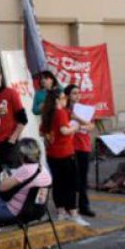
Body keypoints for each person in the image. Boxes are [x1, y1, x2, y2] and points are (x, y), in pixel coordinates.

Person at [41, 87, 85, 226]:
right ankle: (73, 212)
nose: (66, 100)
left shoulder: (48, 113)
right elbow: (64, 130)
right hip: (65, 153)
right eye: (64, 98)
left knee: (58, 183)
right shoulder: (60, 112)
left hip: (52, 153)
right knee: (70, 183)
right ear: (57, 100)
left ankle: (61, 212)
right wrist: (75, 127)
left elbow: (42, 132)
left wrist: (50, 139)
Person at [63, 85, 96, 219]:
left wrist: (77, 120)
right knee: (69, 178)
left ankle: (84, 206)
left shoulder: (84, 109)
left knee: (82, 178)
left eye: (78, 93)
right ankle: (69, 205)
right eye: (74, 93)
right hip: (68, 147)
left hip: (83, 146)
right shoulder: (63, 110)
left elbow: (91, 126)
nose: (77, 96)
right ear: (68, 96)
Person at [0, 65, 27, 146]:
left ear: (0, 76)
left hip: (8, 142)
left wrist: (13, 139)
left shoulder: (11, 93)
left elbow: (23, 119)